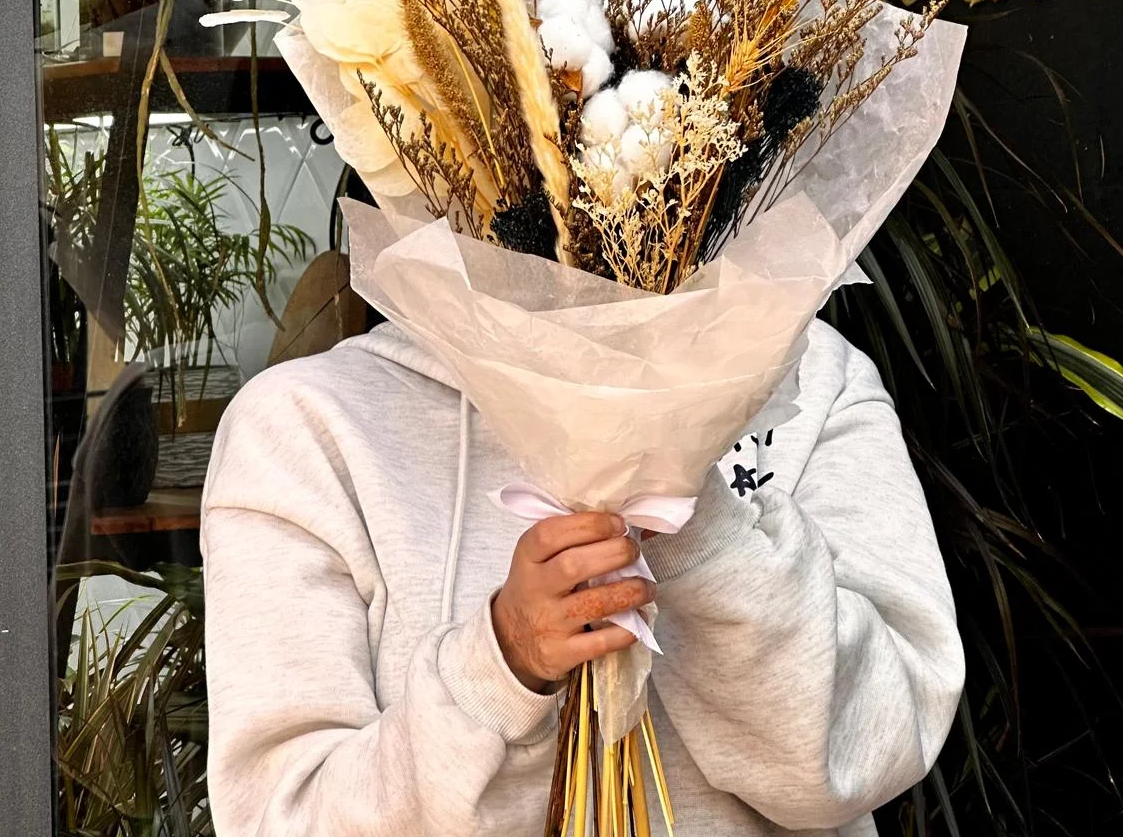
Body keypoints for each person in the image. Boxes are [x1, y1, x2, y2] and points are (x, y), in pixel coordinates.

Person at [201, 316, 965, 835]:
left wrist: (696, 519)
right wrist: (499, 667)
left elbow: (880, 744)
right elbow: (282, 815)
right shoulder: (308, 426)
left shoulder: (805, 376)